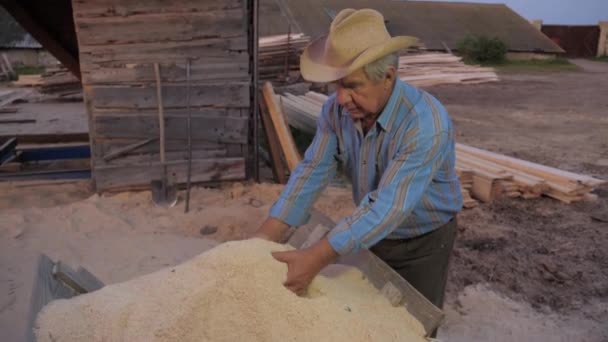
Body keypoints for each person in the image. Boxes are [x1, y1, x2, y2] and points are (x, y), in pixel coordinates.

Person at [253, 8, 463, 314]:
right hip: (369, 232)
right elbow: (313, 170)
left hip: (422, 240)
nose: (340, 99)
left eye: (352, 86)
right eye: (336, 85)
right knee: (369, 315)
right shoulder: (334, 112)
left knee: (414, 323)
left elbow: (388, 206)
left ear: (388, 77)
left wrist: (316, 257)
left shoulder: (425, 124)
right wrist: (265, 237)